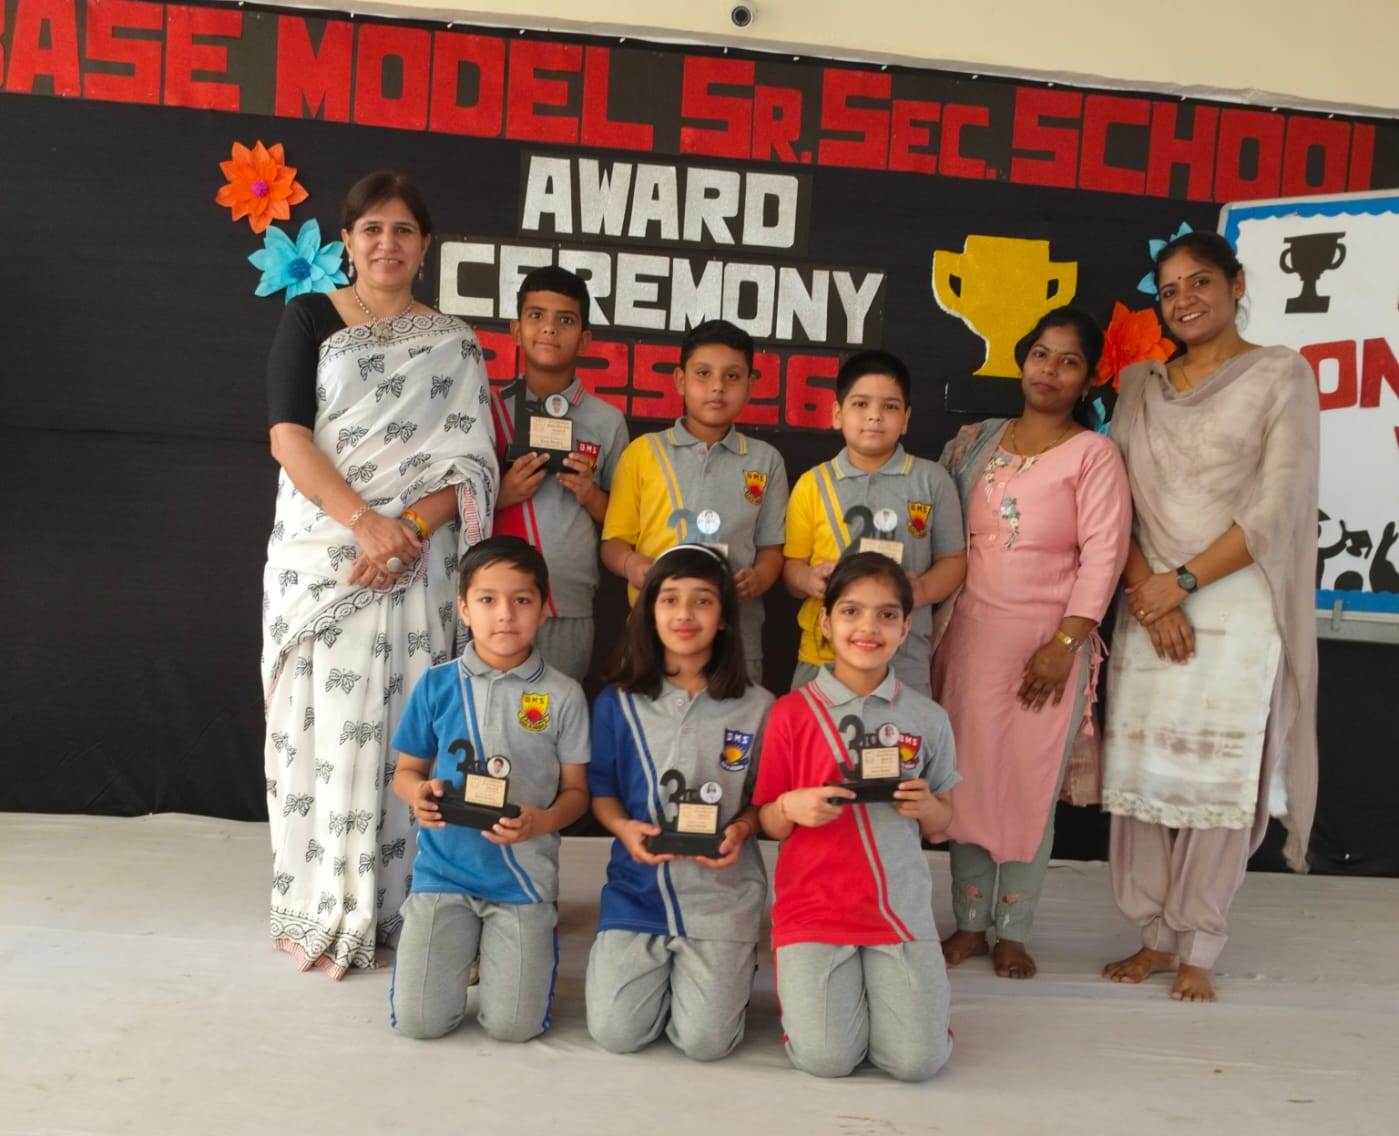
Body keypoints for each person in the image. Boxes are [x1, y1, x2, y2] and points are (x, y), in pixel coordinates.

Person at [261, 171, 497, 977]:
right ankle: (325, 902)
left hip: (415, 564)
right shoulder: (310, 317)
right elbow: (289, 437)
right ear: (347, 242)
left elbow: (471, 465)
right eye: (371, 229)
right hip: (325, 557)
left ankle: (406, 907)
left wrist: (405, 532)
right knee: (325, 732)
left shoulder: (453, 343)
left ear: (424, 246)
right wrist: (364, 522)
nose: (386, 243)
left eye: (402, 230)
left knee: (406, 728)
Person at [1100, 231, 1320, 1003]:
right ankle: (1151, 935)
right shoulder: (1139, 386)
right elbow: (1113, 504)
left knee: (1217, 772)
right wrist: (1149, 590)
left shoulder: (1279, 373)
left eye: (1199, 282)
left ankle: (1198, 939)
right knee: (1140, 771)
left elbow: (1278, 504)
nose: (1184, 300)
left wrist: (1184, 582)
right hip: (1145, 598)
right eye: (1169, 290)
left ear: (1235, 284)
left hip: (1234, 602)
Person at [932, 308, 1131, 979]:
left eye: (1068, 361)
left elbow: (1104, 555)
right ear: (1023, 361)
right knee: (964, 783)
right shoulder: (974, 442)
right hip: (967, 640)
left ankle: (1013, 930)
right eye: (1041, 354)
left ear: (1089, 378)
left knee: (1026, 787)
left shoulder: (1093, 455)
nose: (1050, 370)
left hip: (1047, 648)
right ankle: (968, 924)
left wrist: (1065, 643)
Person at [753, 553, 958, 1081]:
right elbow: (767, 821)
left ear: (906, 628)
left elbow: (944, 822)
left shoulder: (928, 717)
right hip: (814, 908)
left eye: (887, 615)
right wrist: (789, 807)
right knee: (827, 1059)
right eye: (851, 612)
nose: (868, 628)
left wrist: (930, 807)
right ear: (825, 621)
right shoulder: (789, 713)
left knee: (918, 1061)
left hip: (898, 910)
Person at [388, 536, 590, 1040]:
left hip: (523, 879)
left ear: (544, 607)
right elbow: (405, 773)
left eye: (521, 599)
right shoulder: (436, 684)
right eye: (487, 599)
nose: (505, 614)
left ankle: (498, 945)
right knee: (419, 1022)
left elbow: (577, 793)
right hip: (444, 873)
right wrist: (418, 795)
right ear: (464, 607)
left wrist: (542, 821)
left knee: (513, 1027)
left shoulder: (563, 694)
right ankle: (462, 942)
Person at [585, 545, 774, 1061]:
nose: (685, 614)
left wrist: (743, 828)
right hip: (638, 891)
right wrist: (624, 828)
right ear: (649, 612)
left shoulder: (759, 706)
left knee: (706, 1043)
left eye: (702, 600)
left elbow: (763, 801)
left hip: (721, 897)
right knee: (617, 1033)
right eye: (669, 599)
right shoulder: (617, 702)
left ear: (725, 617)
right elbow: (602, 792)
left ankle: (727, 968)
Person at [600, 319, 789, 684]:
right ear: (680, 380)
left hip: (735, 636)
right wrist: (632, 564)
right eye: (703, 374)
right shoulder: (644, 452)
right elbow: (613, 544)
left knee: (735, 719)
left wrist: (760, 578)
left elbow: (772, 550)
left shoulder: (766, 461)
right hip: (656, 632)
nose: (717, 386)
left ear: (751, 385)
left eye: (732, 376)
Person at [784, 350, 966, 696]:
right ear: (837, 414)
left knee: (901, 732)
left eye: (890, 406)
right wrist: (808, 579)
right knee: (817, 732)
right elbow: (792, 568)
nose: (874, 416)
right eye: (861, 404)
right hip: (823, 656)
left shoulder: (932, 481)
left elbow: (954, 560)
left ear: (906, 419)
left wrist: (922, 589)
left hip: (904, 657)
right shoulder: (813, 483)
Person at [489, 266, 630, 681]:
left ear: (584, 339)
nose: (549, 329)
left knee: (555, 712)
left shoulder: (607, 421)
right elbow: (458, 507)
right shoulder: (487, 411)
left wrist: (590, 495)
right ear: (516, 330)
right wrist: (502, 494)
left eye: (565, 320)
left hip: (567, 601)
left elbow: (624, 522)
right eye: (536, 316)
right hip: (492, 601)